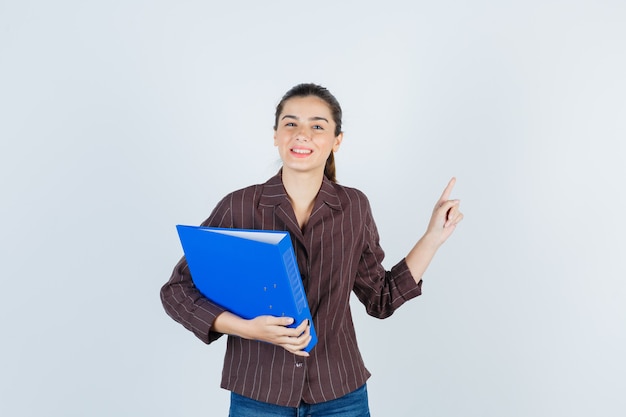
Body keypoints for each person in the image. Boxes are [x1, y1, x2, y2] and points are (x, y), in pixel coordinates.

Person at [160, 83, 463, 416]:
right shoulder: (239, 206)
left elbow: (381, 298)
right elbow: (177, 291)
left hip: (340, 394)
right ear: (276, 135)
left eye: (317, 126)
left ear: (337, 141)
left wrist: (433, 236)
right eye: (291, 124)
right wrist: (246, 328)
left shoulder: (354, 207)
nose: (302, 134)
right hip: (258, 393)